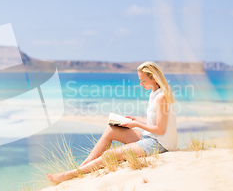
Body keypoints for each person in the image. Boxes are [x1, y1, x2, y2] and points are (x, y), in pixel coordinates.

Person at [46, 61, 177, 184]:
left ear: (154, 78)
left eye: (143, 81)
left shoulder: (161, 98)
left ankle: (69, 175)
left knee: (110, 154)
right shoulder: (154, 94)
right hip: (150, 137)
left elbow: (160, 130)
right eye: (140, 80)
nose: (141, 84)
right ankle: (82, 167)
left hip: (159, 144)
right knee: (111, 130)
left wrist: (136, 125)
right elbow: (155, 123)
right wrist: (135, 120)